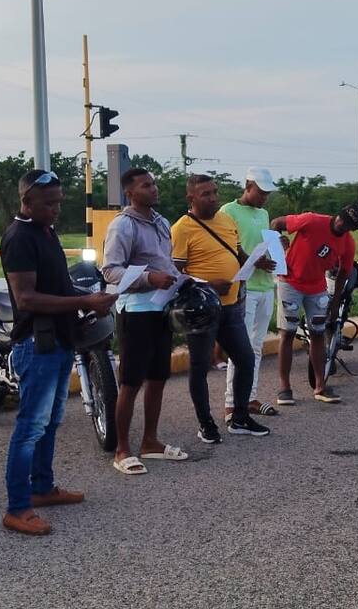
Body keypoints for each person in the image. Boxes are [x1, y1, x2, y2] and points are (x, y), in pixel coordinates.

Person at [0, 169, 117, 536]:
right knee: (30, 427)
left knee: (50, 422)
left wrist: (83, 308)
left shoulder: (45, 232)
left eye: (58, 203)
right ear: (26, 201)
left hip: (60, 339)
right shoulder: (19, 238)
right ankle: (17, 508)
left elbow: (60, 284)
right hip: (37, 344)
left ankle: (43, 487)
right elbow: (26, 298)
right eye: (48, 204)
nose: (55, 210)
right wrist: (84, 299)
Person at [173, 175, 272, 443]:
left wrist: (254, 262)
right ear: (191, 198)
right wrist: (207, 284)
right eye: (206, 194)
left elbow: (237, 251)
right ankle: (206, 424)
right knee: (199, 366)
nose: (213, 198)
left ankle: (239, 418)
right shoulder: (182, 228)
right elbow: (175, 272)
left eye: (215, 192)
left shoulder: (227, 220)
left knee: (245, 358)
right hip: (202, 309)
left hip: (231, 307)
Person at [102, 168, 187, 474]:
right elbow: (110, 271)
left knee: (158, 378)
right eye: (146, 185)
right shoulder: (122, 226)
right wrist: (150, 277)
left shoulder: (162, 222)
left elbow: (167, 262)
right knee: (130, 382)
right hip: (135, 311)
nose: (154, 189)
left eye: (154, 184)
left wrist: (183, 279)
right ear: (130, 193)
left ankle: (150, 442)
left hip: (161, 310)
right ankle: (122, 449)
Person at [270, 203, 358, 405]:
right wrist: (278, 247)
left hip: (317, 287)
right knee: (287, 333)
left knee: (318, 333)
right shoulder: (311, 220)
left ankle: (320, 386)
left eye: (348, 224)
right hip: (290, 283)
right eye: (342, 218)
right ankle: (284, 387)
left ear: (353, 228)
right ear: (338, 213)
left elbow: (344, 272)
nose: (341, 224)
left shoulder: (348, 243)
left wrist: (335, 304)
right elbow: (276, 223)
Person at [219, 168, 280, 419]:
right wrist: (254, 262)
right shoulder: (228, 211)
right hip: (244, 288)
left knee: (256, 347)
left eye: (267, 193)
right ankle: (232, 403)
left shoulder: (264, 213)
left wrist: (277, 248)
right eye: (261, 192)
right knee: (240, 348)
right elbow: (226, 248)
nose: (264, 197)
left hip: (266, 286)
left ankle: (249, 397)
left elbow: (261, 245)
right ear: (248, 186)